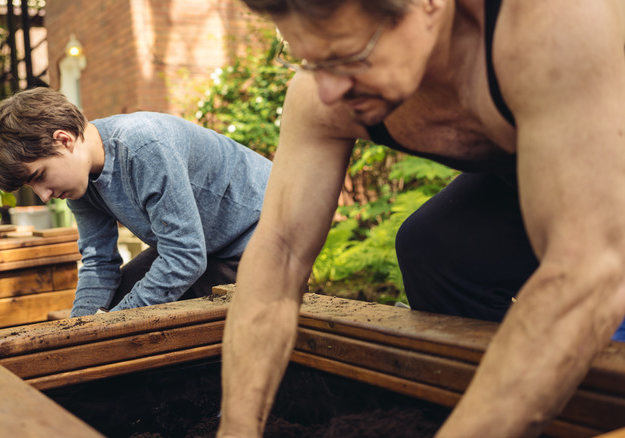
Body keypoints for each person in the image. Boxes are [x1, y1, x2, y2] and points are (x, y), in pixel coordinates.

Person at [217, 1, 625, 437]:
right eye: (309, 60)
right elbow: (279, 254)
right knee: (436, 251)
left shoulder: (553, 26)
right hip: (555, 167)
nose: (329, 88)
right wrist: (237, 428)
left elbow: (586, 270)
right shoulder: (322, 89)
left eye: (348, 56)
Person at [0, 87, 272, 316]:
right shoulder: (79, 182)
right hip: (202, 248)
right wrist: (80, 330)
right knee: (115, 303)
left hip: (261, 234)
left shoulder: (143, 147)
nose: (44, 195)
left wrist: (113, 326)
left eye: (40, 176)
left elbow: (184, 257)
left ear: (64, 141)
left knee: (161, 340)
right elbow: (99, 262)